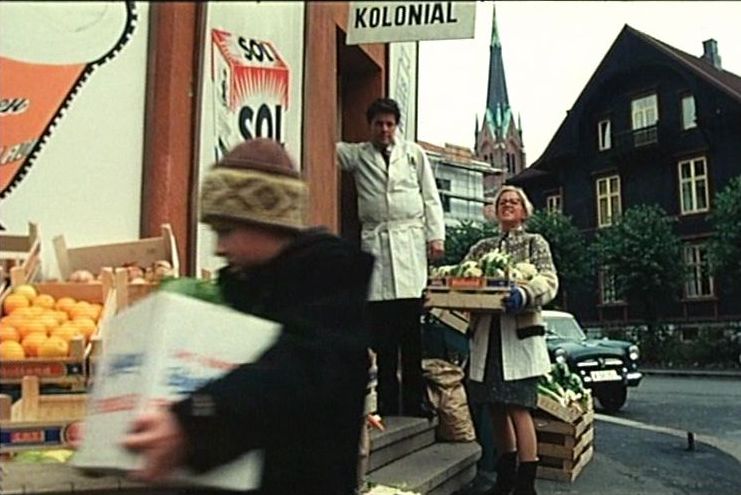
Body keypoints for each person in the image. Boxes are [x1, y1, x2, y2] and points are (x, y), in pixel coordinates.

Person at [122, 138, 375, 495]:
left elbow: (293, 374)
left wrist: (192, 420)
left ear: (268, 220)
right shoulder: (246, 292)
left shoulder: (331, 285)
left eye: (226, 230)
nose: (218, 248)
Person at [336, 97, 446, 417]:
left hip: (409, 243)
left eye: (389, 124)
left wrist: (435, 236)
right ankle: (386, 400)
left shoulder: (413, 155)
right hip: (377, 242)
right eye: (378, 124)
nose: (384, 130)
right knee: (382, 335)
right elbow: (322, 146)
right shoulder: (358, 155)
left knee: (411, 334)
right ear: (369, 125)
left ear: (397, 126)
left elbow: (430, 196)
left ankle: (415, 401)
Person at [463, 185, 558, 495]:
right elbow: (464, 275)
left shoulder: (534, 244)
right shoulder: (481, 247)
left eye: (514, 202)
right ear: (495, 210)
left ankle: (526, 485)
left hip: (517, 338)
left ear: (524, 210)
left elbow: (549, 280)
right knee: (495, 408)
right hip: (487, 337)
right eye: (503, 202)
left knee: (519, 407)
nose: (508, 206)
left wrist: (525, 293)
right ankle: (505, 481)